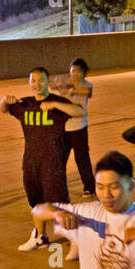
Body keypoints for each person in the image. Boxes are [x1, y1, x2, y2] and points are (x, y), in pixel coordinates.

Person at [0, 67, 84, 251]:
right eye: (33, 81)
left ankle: (77, 239)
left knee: (59, 205)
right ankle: (40, 237)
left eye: (41, 80)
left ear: (48, 82)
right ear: (29, 83)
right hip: (30, 162)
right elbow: (3, 109)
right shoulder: (25, 104)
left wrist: (55, 105)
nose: (37, 84)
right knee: (36, 204)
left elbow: (79, 111)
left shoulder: (58, 102)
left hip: (52, 163)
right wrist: (6, 100)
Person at [52, 58, 95, 198]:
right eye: (73, 70)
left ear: (84, 73)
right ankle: (57, 185)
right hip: (63, 129)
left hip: (79, 128)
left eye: (79, 71)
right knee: (60, 158)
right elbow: (51, 86)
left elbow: (81, 92)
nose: (75, 74)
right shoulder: (66, 85)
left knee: (82, 158)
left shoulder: (87, 86)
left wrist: (64, 87)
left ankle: (90, 187)